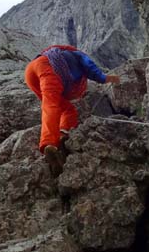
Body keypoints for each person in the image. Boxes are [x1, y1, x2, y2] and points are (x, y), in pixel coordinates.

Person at [25, 44, 120, 175]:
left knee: (68, 109)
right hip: (49, 68)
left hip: (31, 72)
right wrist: (107, 78)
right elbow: (90, 67)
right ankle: (49, 144)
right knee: (51, 105)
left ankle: (63, 135)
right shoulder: (79, 56)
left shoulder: (62, 52)